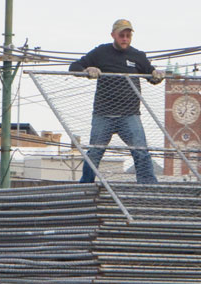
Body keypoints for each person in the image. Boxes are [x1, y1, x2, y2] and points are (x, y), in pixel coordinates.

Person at [69, 19, 164, 184]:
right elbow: (74, 67)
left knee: (140, 151)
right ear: (113, 35)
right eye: (122, 35)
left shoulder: (137, 56)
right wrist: (87, 70)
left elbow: (151, 75)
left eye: (128, 35)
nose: (125, 39)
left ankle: (148, 185)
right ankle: (86, 184)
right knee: (95, 152)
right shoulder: (101, 52)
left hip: (129, 114)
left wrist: (157, 74)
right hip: (103, 114)